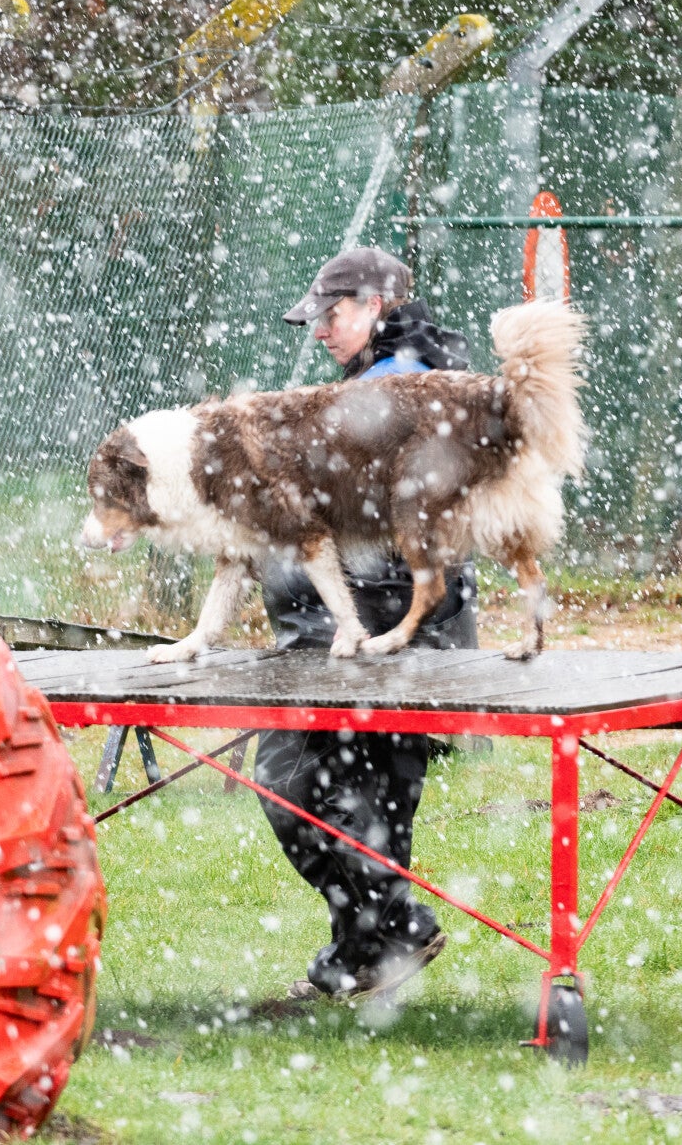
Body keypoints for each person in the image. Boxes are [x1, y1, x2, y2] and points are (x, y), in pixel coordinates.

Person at [257, 246, 479, 1000]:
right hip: (396, 630)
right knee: (369, 795)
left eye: (332, 314)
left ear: (374, 306)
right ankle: (364, 953)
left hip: (374, 630)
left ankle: (392, 928)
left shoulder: (399, 381)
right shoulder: (408, 372)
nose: (320, 330)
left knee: (292, 780)